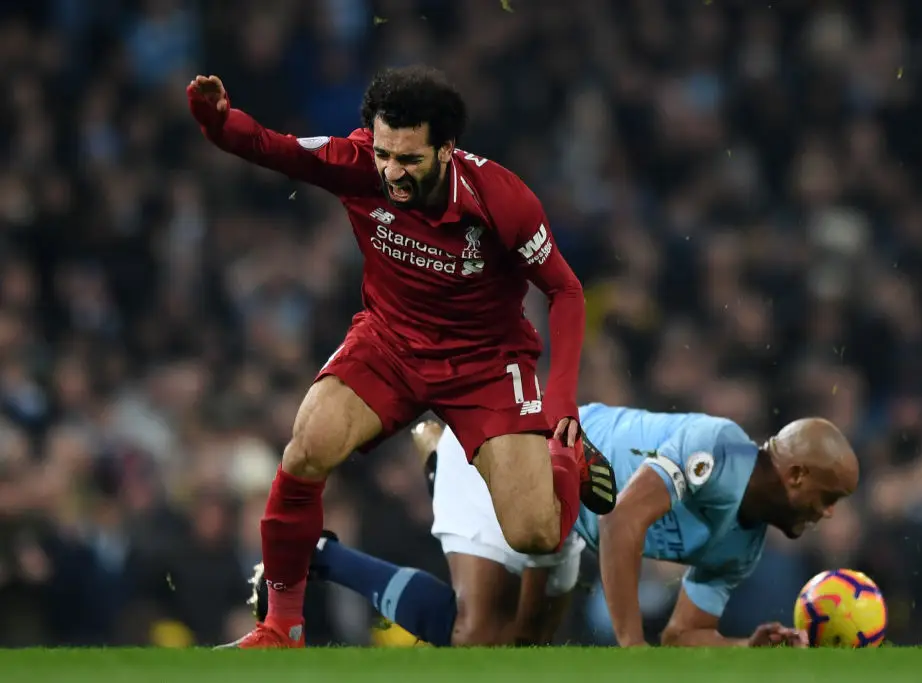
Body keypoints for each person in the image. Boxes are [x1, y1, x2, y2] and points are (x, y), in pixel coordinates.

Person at [186, 66, 618, 649]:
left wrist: (561, 403)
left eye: (409, 159)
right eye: (385, 153)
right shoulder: (358, 161)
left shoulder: (500, 198)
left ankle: (565, 458)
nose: (392, 171)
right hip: (390, 343)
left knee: (536, 534)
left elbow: (565, 291)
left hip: (486, 363)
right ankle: (281, 626)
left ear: (446, 148)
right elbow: (272, 148)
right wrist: (217, 124)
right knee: (307, 446)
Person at [252, 405, 859, 647]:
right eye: (828, 498)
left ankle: (441, 459)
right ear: (797, 475)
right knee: (476, 638)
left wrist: (741, 647)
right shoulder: (719, 451)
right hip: (528, 457)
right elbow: (625, 522)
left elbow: (683, 635)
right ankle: (325, 554)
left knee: (522, 655)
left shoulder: (744, 544)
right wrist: (630, 648)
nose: (829, 514)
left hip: (567, 519)